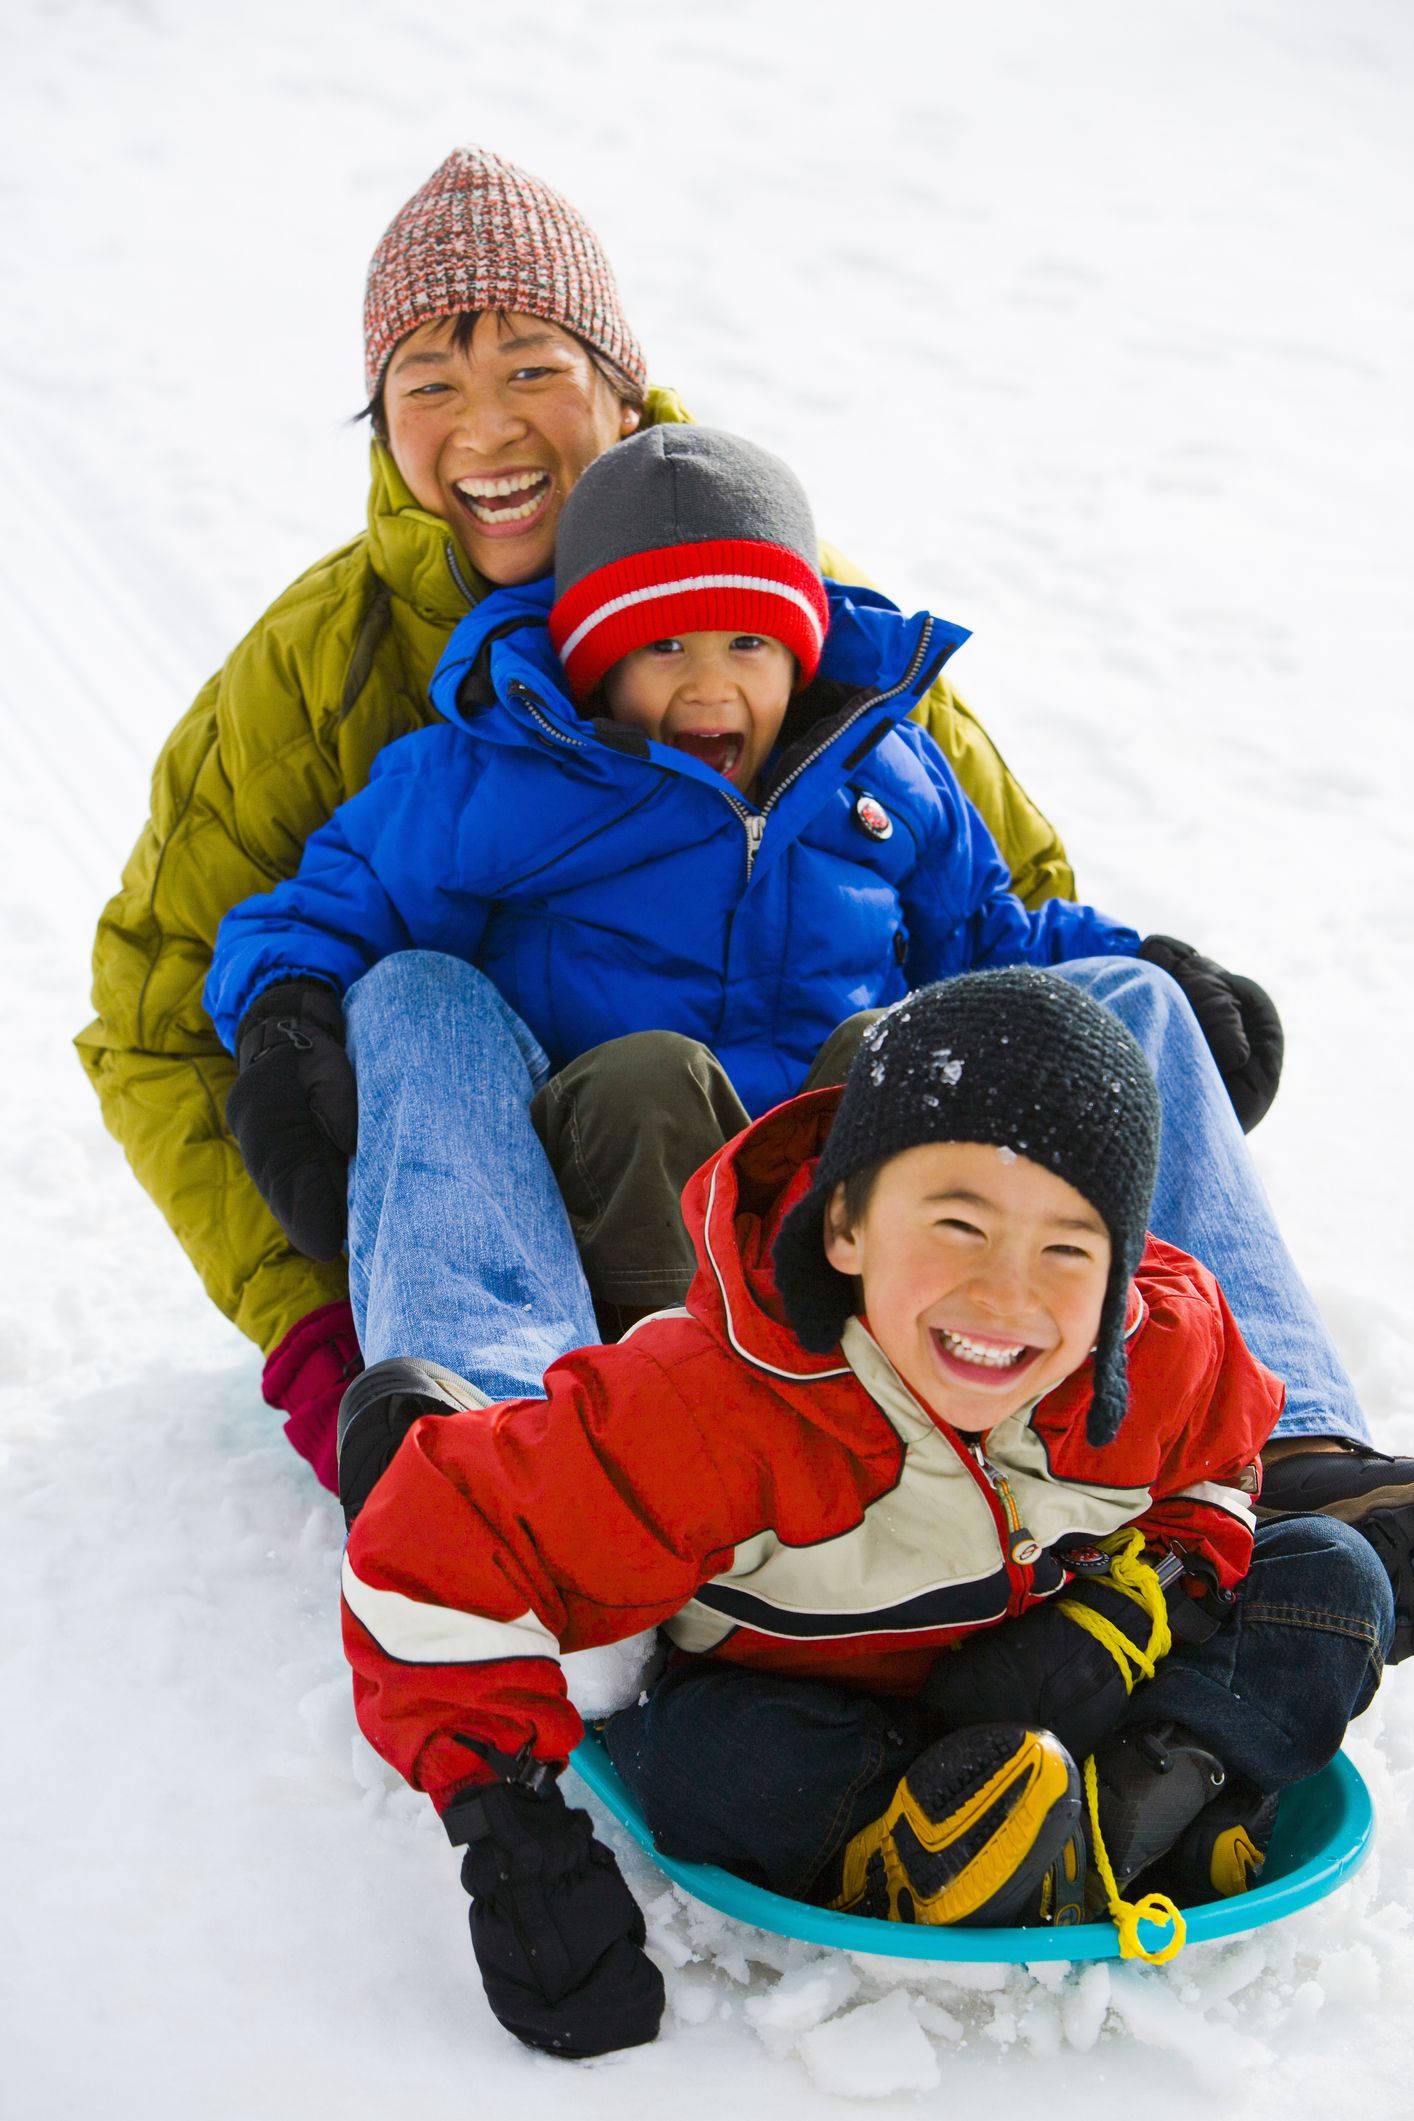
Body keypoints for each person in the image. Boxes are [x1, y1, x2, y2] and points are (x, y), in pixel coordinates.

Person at [74, 145, 1074, 1493]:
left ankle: (1169, 1426)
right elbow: (162, 1004)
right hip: (548, 1203)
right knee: (421, 992)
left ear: (618, 382)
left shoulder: (810, 625)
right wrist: (313, 1321)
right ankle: (491, 1444)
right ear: (383, 426)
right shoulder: (323, 666)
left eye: (532, 368)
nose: (484, 430)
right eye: (428, 387)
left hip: (837, 1236)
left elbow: (997, 905)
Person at [334, 970, 1393, 2058]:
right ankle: (912, 1841)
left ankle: (1161, 1790)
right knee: (718, 1763)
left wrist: (1134, 1603)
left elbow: (1216, 1464)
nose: (1006, 1296)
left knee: (1328, 1581)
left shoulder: (1160, 1347)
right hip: (810, 1703)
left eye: (1067, 1249)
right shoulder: (710, 1410)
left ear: (1121, 1265)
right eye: (955, 1225)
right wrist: (509, 1832)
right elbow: (435, 1546)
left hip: (1058, 1673)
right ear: (843, 1225)